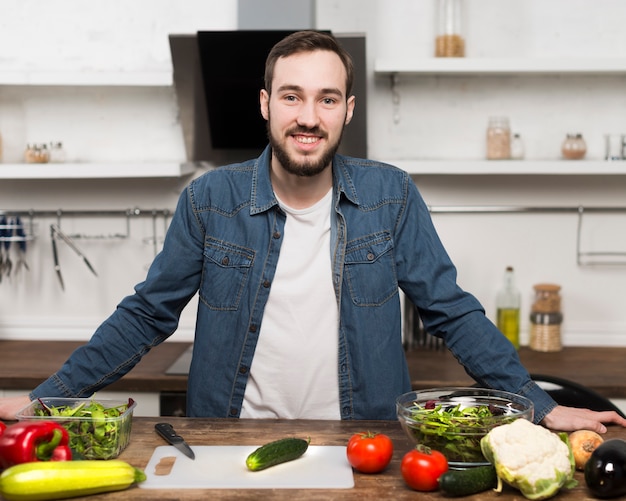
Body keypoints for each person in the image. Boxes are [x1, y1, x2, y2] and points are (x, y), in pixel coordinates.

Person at [1, 30, 624, 433]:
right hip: (230, 439)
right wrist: (43, 400)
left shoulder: (392, 195)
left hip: (362, 441)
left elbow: (451, 311)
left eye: (327, 99)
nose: (308, 116)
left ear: (348, 110)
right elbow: (146, 316)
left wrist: (540, 407)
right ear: (266, 103)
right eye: (292, 96)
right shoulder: (209, 199)